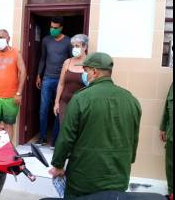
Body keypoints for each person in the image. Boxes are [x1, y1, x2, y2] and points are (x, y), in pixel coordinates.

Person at [49, 52, 142, 198]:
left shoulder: (81, 98)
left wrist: (58, 165)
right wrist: (127, 161)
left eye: (85, 71)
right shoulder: (131, 100)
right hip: (118, 176)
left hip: (84, 179)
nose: (84, 75)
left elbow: (66, 137)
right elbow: (134, 139)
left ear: (94, 71)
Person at [36, 16, 72, 146]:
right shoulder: (46, 40)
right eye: (51, 27)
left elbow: (71, 60)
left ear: (61, 27)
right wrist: (39, 75)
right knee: (43, 109)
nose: (52, 30)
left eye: (55, 28)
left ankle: (55, 140)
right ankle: (43, 137)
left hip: (61, 80)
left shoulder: (68, 41)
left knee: (58, 109)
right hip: (47, 78)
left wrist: (68, 78)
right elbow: (43, 59)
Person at [52, 34, 88, 147]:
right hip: (65, 102)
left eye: (77, 46)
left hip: (81, 104)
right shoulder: (67, 62)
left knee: (79, 130)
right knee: (64, 129)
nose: (75, 49)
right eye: (73, 46)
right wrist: (57, 102)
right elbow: (61, 83)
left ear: (84, 47)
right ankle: (65, 153)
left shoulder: (90, 63)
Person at [160, 82, 173, 199]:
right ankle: (171, 194)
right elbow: (167, 108)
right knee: (170, 166)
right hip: (171, 135)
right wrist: (163, 128)